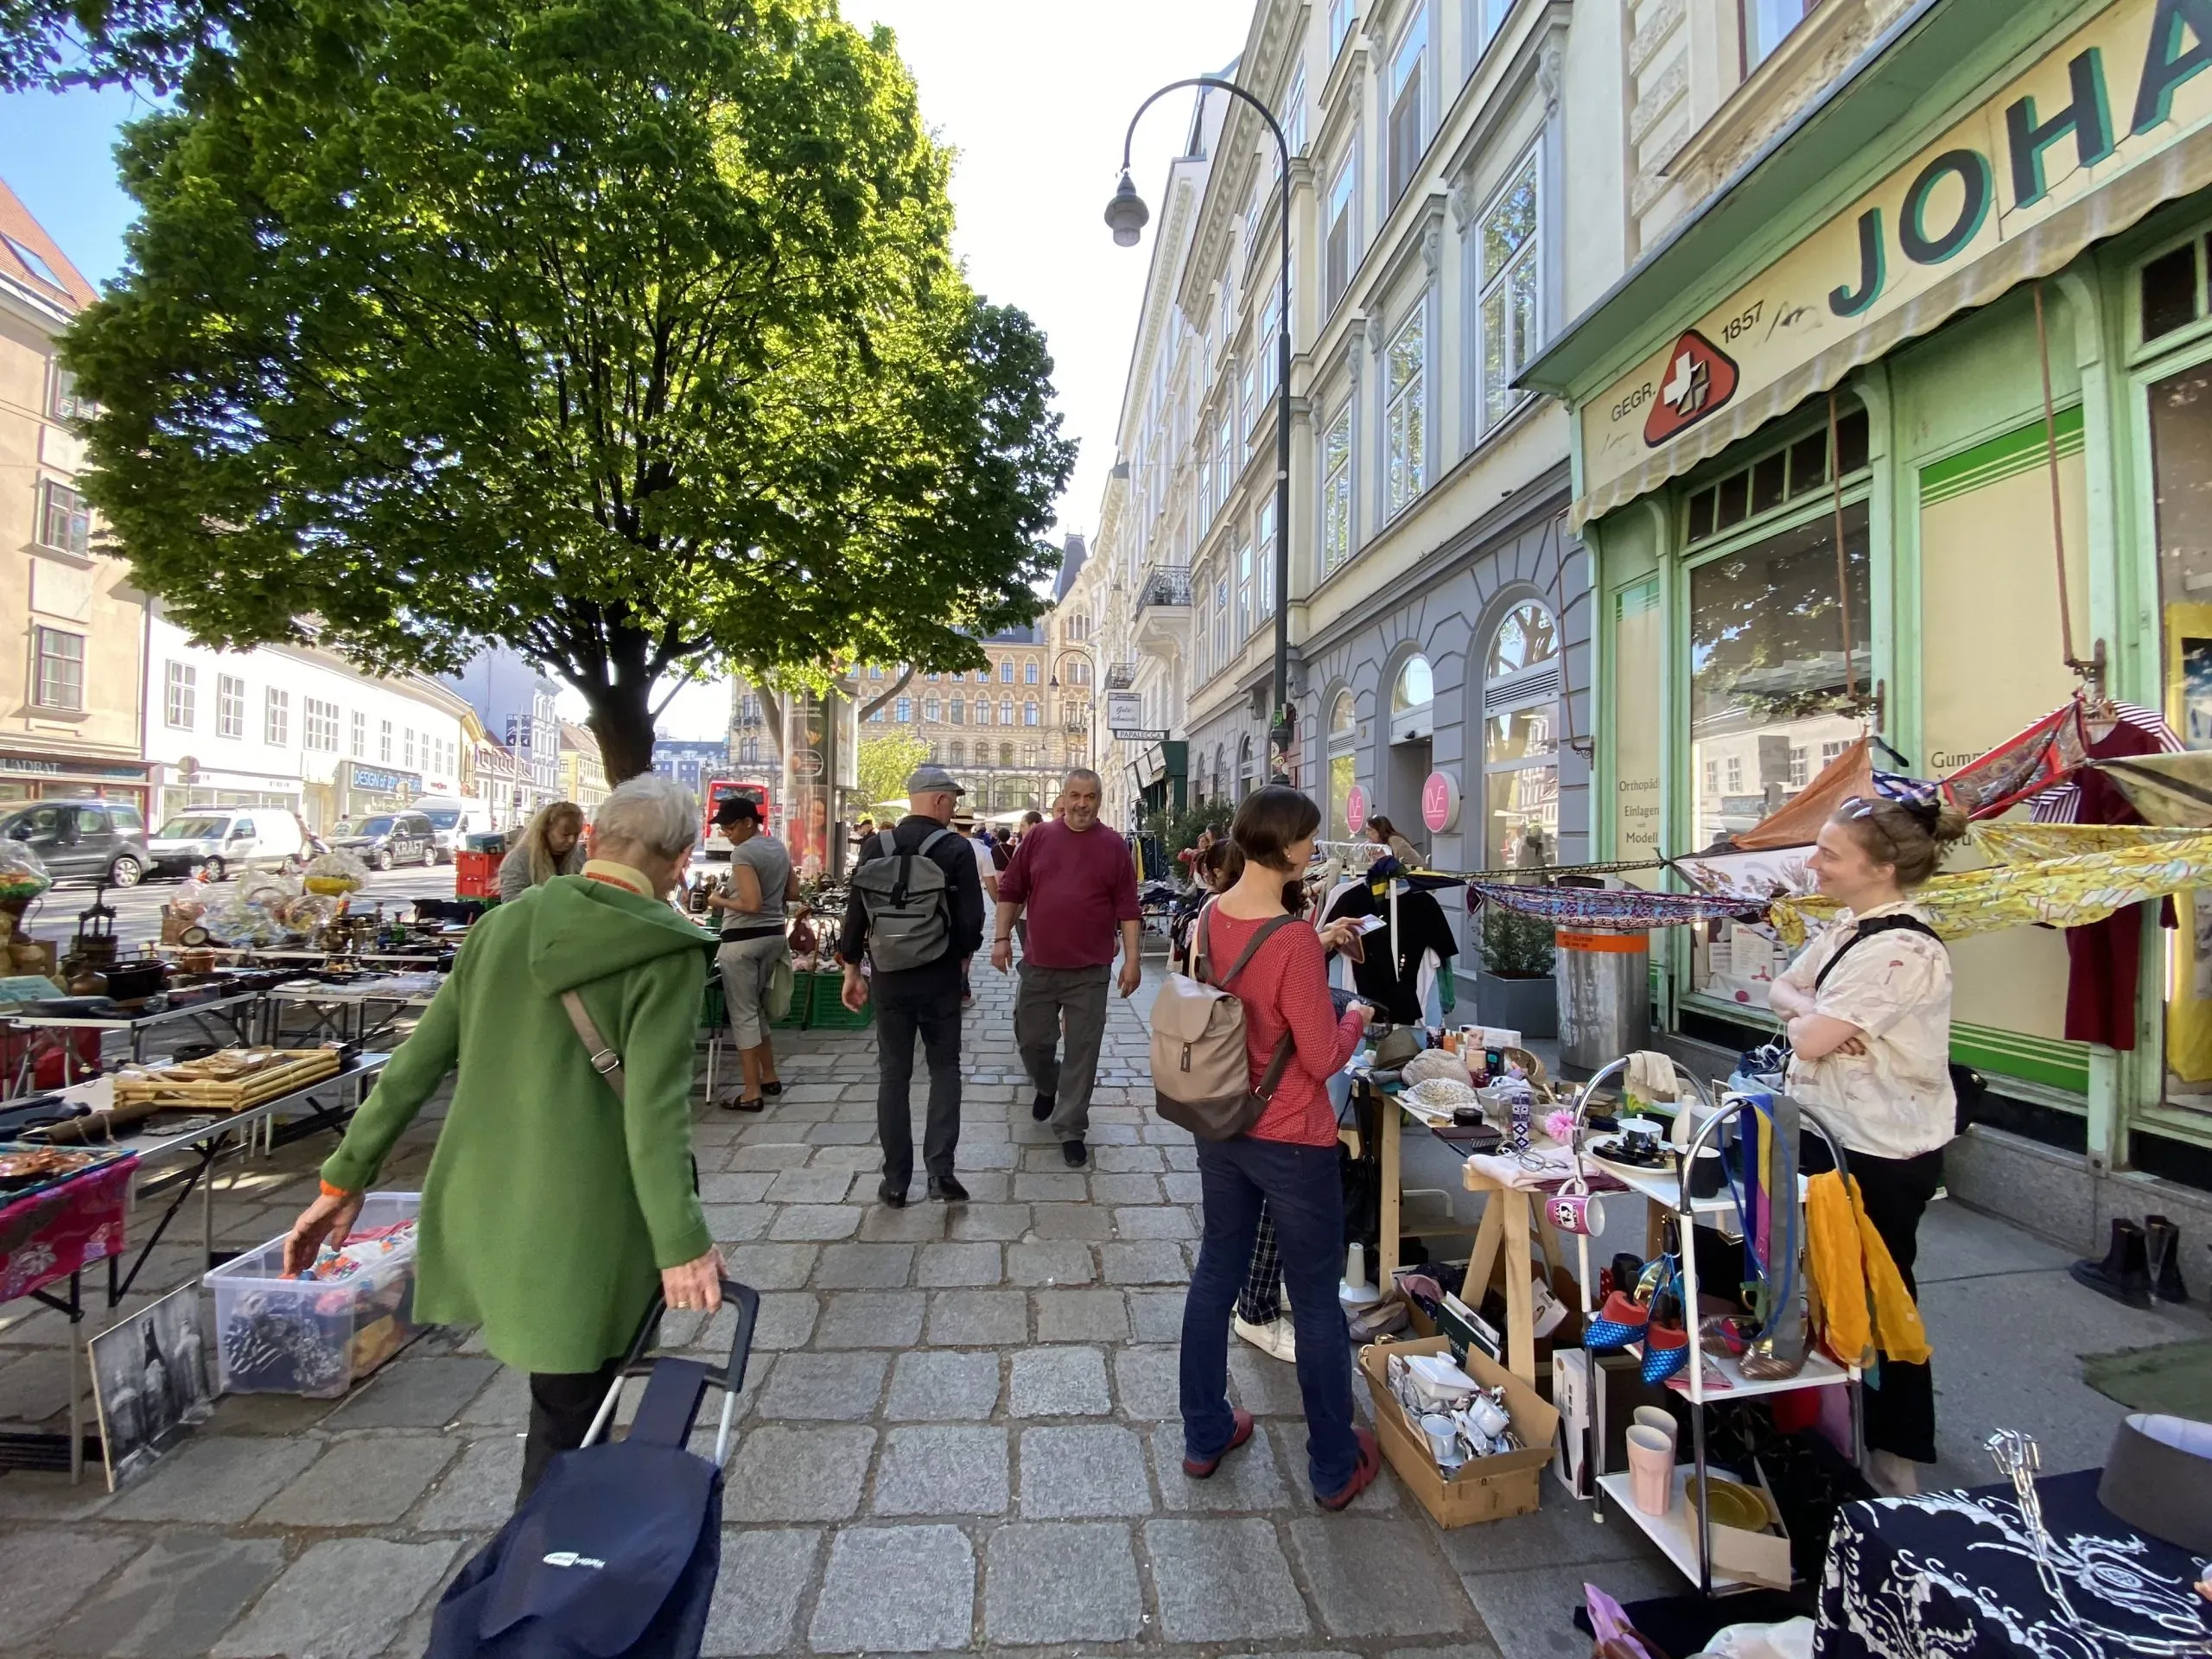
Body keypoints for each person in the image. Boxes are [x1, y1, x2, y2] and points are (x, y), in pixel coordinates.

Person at [283, 776, 722, 1503]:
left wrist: (343, 1177)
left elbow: (415, 1064)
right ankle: (542, 1585)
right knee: (573, 1420)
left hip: (488, 1208)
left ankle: (553, 1562)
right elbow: (654, 1115)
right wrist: (682, 1243)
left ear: (593, 841)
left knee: (562, 1408)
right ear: (678, 862)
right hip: (590, 1225)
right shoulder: (665, 952)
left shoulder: (501, 926)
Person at [1179, 785, 1381, 1507]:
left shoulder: (1212, 913)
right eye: (1310, 840)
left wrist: (1314, 950)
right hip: (1292, 1137)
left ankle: (1204, 1432)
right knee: (1317, 1303)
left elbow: (1238, 997)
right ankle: (1332, 1464)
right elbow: (1323, 1057)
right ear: (1291, 849)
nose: (1313, 850)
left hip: (1224, 1122)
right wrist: (1354, 1015)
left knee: (1215, 1275)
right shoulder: (1293, 938)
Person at [1765, 777, 1966, 1498]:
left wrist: (1811, 1021)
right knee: (1829, 1286)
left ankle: (1897, 1454)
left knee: (1882, 1297)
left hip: (1881, 1151)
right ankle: (1840, 1425)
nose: (1815, 865)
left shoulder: (1901, 950)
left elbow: (1809, 1034)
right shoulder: (1848, 930)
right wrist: (1812, 1015)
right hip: (1833, 1134)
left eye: (1830, 853)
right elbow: (1782, 991)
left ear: (1881, 867)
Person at [842, 764, 985, 1206]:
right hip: (938, 976)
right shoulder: (954, 849)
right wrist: (961, 959)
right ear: (939, 800)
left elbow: (856, 912)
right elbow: (971, 920)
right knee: (944, 1070)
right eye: (953, 801)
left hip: (888, 976)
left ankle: (896, 1181)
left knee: (893, 1076)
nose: (953, 809)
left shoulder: (874, 845)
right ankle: (941, 1173)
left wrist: (851, 968)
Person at [991, 769, 1141, 1168]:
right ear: (1064, 797)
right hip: (1039, 965)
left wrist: (1132, 961)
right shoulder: (1040, 837)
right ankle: (1046, 1082)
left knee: (1083, 1050)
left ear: (1099, 799)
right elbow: (1012, 889)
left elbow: (1129, 909)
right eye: (1074, 795)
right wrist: (1001, 938)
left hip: (1090, 970)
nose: (1081, 803)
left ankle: (1072, 1126)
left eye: (1089, 796)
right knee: (1032, 1040)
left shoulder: (1113, 846)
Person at [707, 794, 797, 1112]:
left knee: (742, 1014)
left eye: (730, 827)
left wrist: (719, 902)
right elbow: (794, 892)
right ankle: (769, 1075)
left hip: (743, 940)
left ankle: (750, 1092)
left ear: (748, 823)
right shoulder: (777, 847)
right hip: (773, 936)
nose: (726, 834)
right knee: (755, 1010)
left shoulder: (743, 853)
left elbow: (751, 904)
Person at [497, 801, 585, 900]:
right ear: (546, 830)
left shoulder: (580, 854)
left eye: (576, 834)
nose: (571, 840)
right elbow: (510, 902)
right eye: (565, 834)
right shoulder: (520, 859)